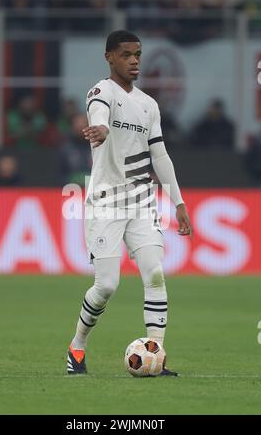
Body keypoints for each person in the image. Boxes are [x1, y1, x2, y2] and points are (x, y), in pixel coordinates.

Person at [66, 30, 192, 376]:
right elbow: (98, 117)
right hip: (106, 201)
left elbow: (160, 155)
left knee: (155, 274)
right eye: (126, 55)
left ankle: (156, 353)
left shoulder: (149, 105)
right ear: (110, 57)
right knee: (106, 284)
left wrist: (178, 202)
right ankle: (77, 346)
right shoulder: (100, 92)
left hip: (141, 202)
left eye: (138, 54)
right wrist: (101, 130)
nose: (135, 60)